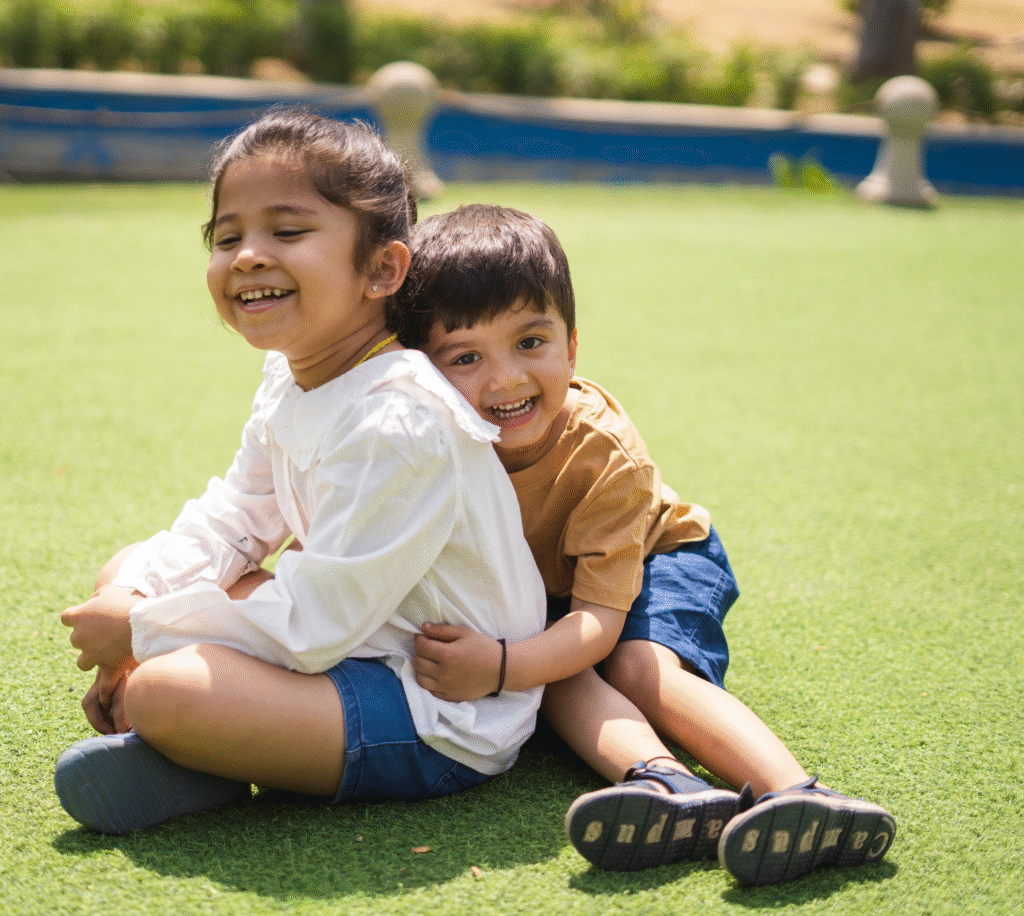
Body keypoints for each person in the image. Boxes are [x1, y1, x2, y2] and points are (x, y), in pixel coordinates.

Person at [55, 113, 546, 835]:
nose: (249, 255)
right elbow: (239, 515)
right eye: (227, 238)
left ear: (382, 269)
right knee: (131, 567)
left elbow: (314, 626)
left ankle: (193, 740)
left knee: (163, 689)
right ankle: (208, 753)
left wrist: (140, 633)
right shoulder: (291, 375)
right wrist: (136, 601)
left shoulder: (399, 422)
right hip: (355, 636)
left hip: (433, 705)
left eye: (286, 232)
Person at [398, 204, 896, 885]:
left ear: (571, 346)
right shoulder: (419, 441)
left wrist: (502, 667)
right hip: (551, 592)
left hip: (664, 557)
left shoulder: (603, 454)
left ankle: (798, 794)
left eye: (530, 342)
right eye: (465, 357)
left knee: (635, 667)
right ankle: (670, 789)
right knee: (558, 671)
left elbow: (598, 625)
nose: (506, 378)